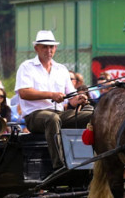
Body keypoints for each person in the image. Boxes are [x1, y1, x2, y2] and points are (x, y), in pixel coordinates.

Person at [16, 30, 92, 170]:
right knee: (52, 119)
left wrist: (79, 98)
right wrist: (51, 95)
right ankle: (59, 166)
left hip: (59, 114)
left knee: (93, 115)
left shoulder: (61, 69)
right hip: (35, 116)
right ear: (36, 48)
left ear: (55, 48)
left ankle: (93, 161)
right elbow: (24, 92)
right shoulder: (26, 67)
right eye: (45, 46)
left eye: (51, 47)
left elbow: (72, 98)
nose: (48, 50)